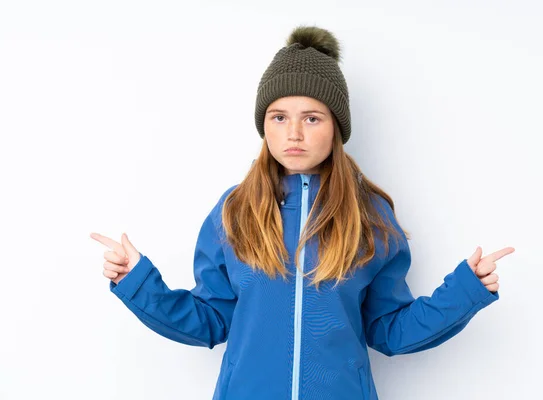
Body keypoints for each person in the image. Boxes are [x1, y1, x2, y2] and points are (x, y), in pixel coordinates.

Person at [91, 25, 514, 400]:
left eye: (311, 118)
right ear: (265, 125)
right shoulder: (235, 211)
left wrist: (465, 291)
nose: (293, 133)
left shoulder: (371, 216)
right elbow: (209, 320)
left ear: (336, 127)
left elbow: (389, 329)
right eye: (279, 117)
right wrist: (137, 282)